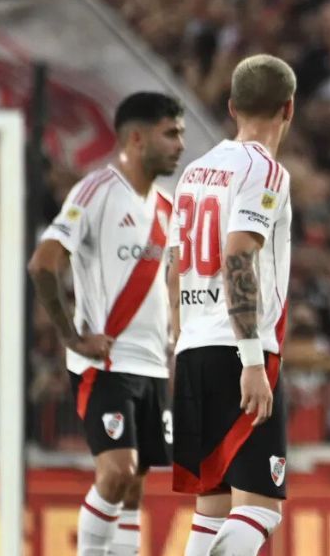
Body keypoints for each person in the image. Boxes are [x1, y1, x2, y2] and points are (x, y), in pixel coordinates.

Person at [27, 92, 185, 556]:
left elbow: (169, 282)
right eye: (170, 133)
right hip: (106, 362)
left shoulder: (167, 206)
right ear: (136, 138)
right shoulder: (95, 191)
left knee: (134, 484)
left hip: (153, 365)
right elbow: (43, 264)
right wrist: (72, 337)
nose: (180, 144)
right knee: (116, 471)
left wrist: (176, 338)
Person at [170, 54, 296, 556]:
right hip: (238, 349)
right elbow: (239, 256)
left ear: (230, 106)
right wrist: (250, 360)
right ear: (289, 109)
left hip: (195, 346)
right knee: (261, 507)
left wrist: (178, 342)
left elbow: (174, 262)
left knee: (212, 510)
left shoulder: (194, 172)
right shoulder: (265, 170)